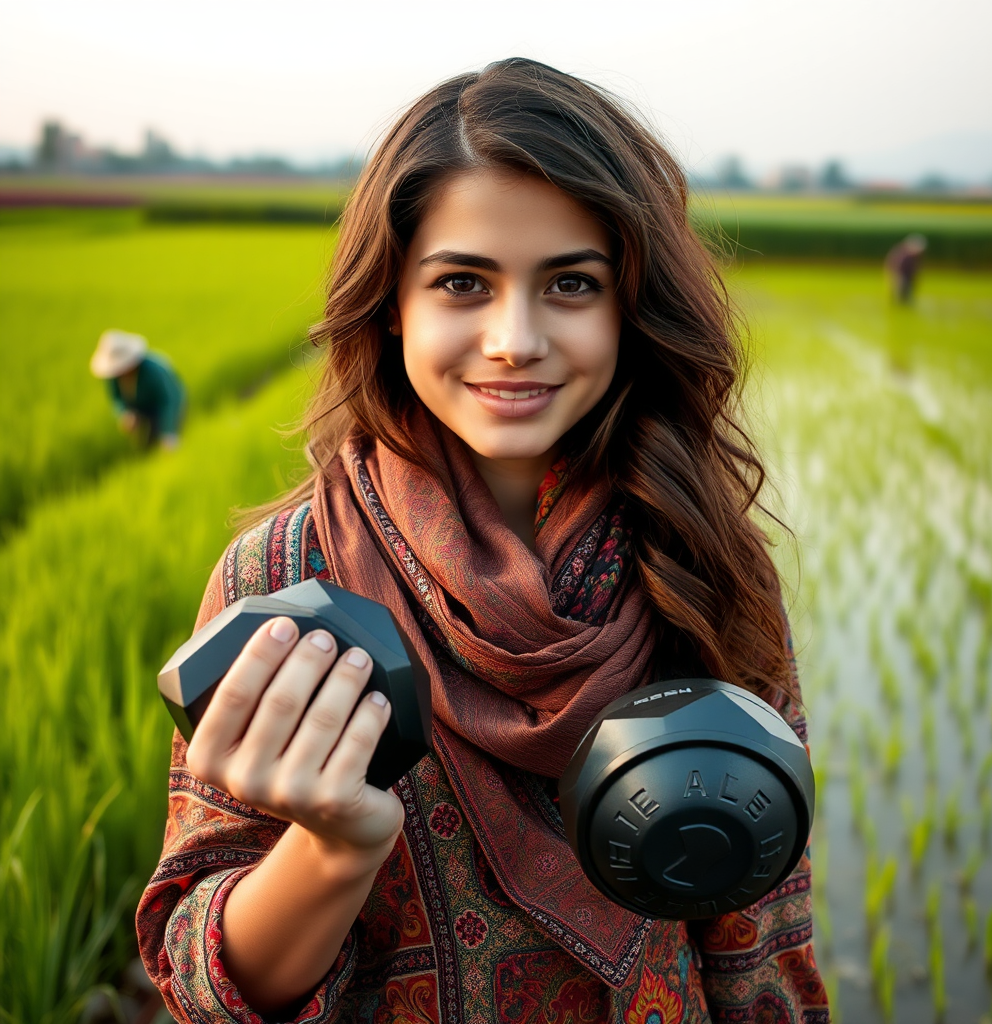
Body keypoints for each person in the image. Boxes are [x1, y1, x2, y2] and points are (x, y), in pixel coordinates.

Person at [136, 59, 829, 1023]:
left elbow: (764, 934)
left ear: (629, 308)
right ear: (391, 306)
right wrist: (333, 846)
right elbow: (203, 982)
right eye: (463, 281)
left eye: (571, 284)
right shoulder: (287, 575)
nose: (515, 338)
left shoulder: (700, 556)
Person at [89, 329, 186, 450]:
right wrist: (125, 413)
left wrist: (169, 434)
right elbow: (117, 398)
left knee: (168, 441)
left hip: (169, 403)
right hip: (144, 410)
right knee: (148, 446)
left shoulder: (153, 370)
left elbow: (167, 401)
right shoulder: (115, 378)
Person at [885, 233, 927, 305]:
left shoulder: (913, 256)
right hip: (901, 274)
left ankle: (904, 303)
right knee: (900, 289)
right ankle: (899, 303)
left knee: (907, 290)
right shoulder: (902, 254)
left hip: (907, 275)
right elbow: (895, 265)